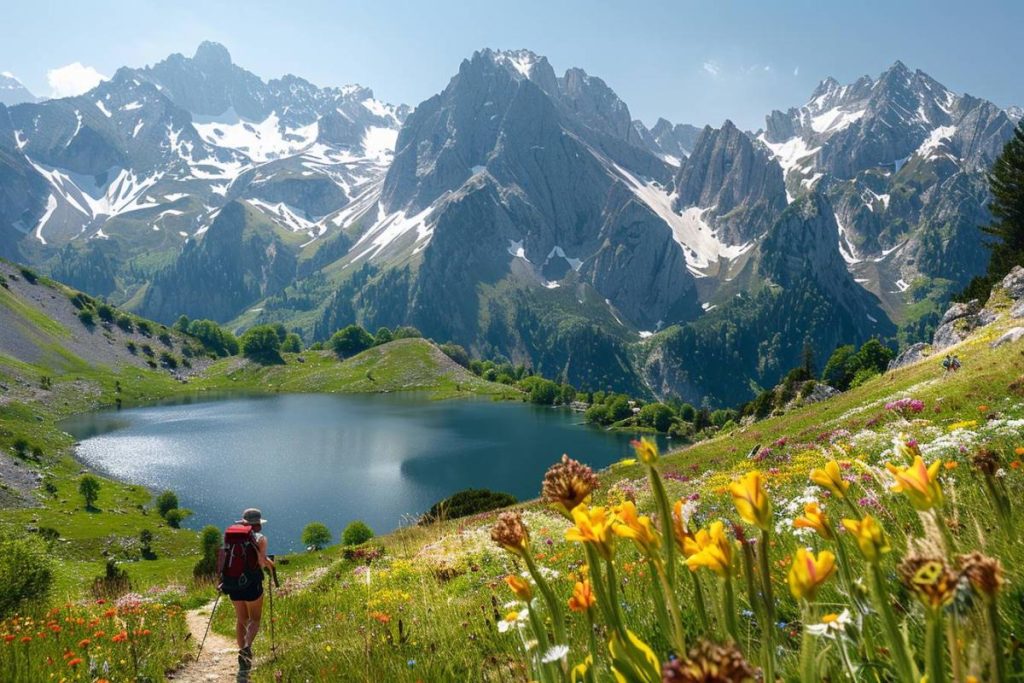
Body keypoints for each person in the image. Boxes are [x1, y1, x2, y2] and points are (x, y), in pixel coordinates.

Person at [227, 508, 274, 673]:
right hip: (251, 583)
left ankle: (242, 652)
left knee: (241, 619)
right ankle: (247, 648)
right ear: (258, 524)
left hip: (232, 583)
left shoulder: (232, 537)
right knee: (254, 619)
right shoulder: (260, 538)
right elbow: (261, 562)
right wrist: (270, 564)